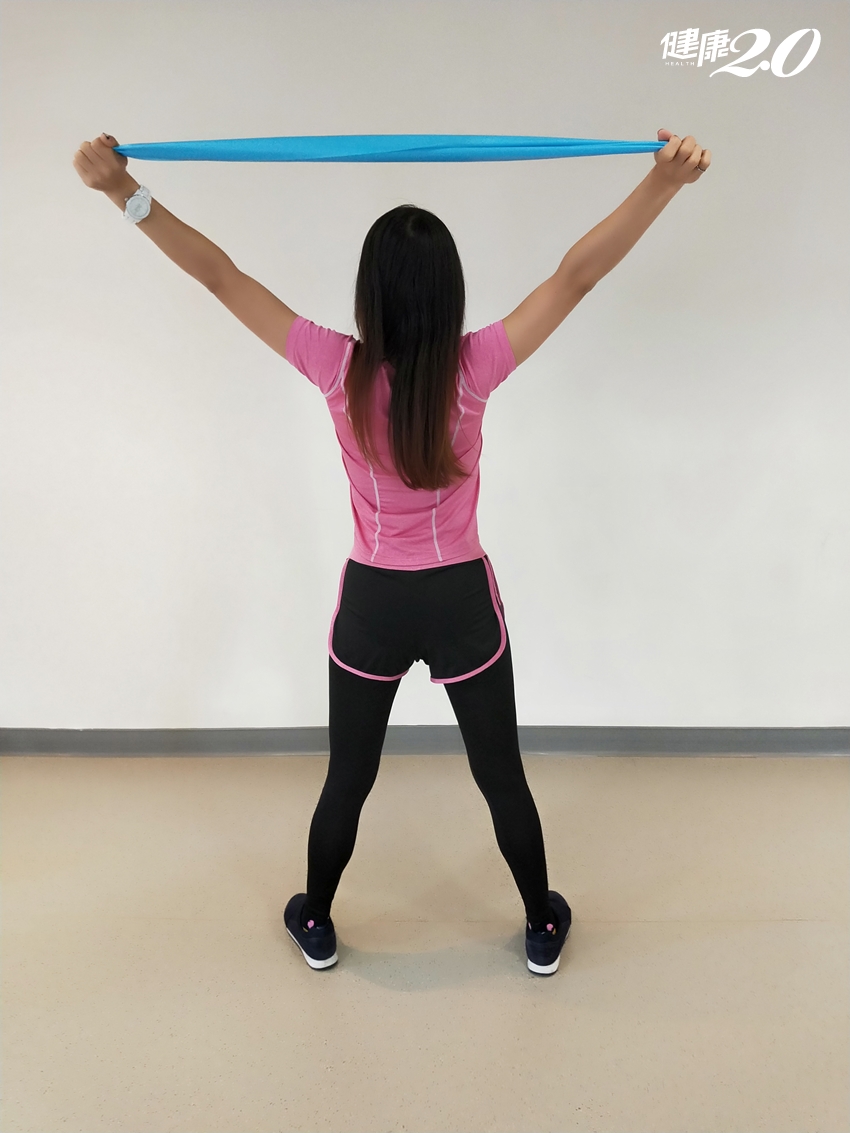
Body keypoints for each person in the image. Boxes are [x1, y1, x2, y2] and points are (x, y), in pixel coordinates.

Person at [73, 127, 710, 976]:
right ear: (450, 295)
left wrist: (123, 192)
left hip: (373, 602)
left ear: (367, 295)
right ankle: (540, 924)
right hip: (460, 601)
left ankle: (316, 918)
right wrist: (663, 183)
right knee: (502, 776)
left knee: (349, 776)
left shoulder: (334, 364)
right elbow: (575, 276)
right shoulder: (476, 365)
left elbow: (220, 276)